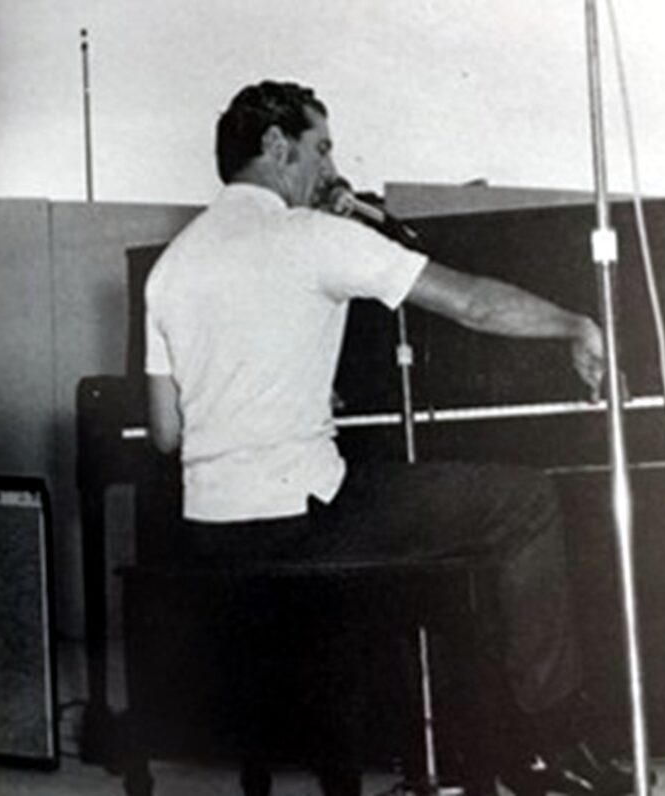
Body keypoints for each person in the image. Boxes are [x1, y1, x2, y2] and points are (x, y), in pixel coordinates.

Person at [144, 80, 638, 796]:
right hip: (305, 525)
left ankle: (454, 745)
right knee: (523, 501)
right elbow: (472, 304)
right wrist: (574, 325)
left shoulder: (170, 267)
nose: (330, 168)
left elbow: (167, 432)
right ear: (276, 146)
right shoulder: (312, 236)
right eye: (321, 148)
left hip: (212, 532)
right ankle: (547, 744)